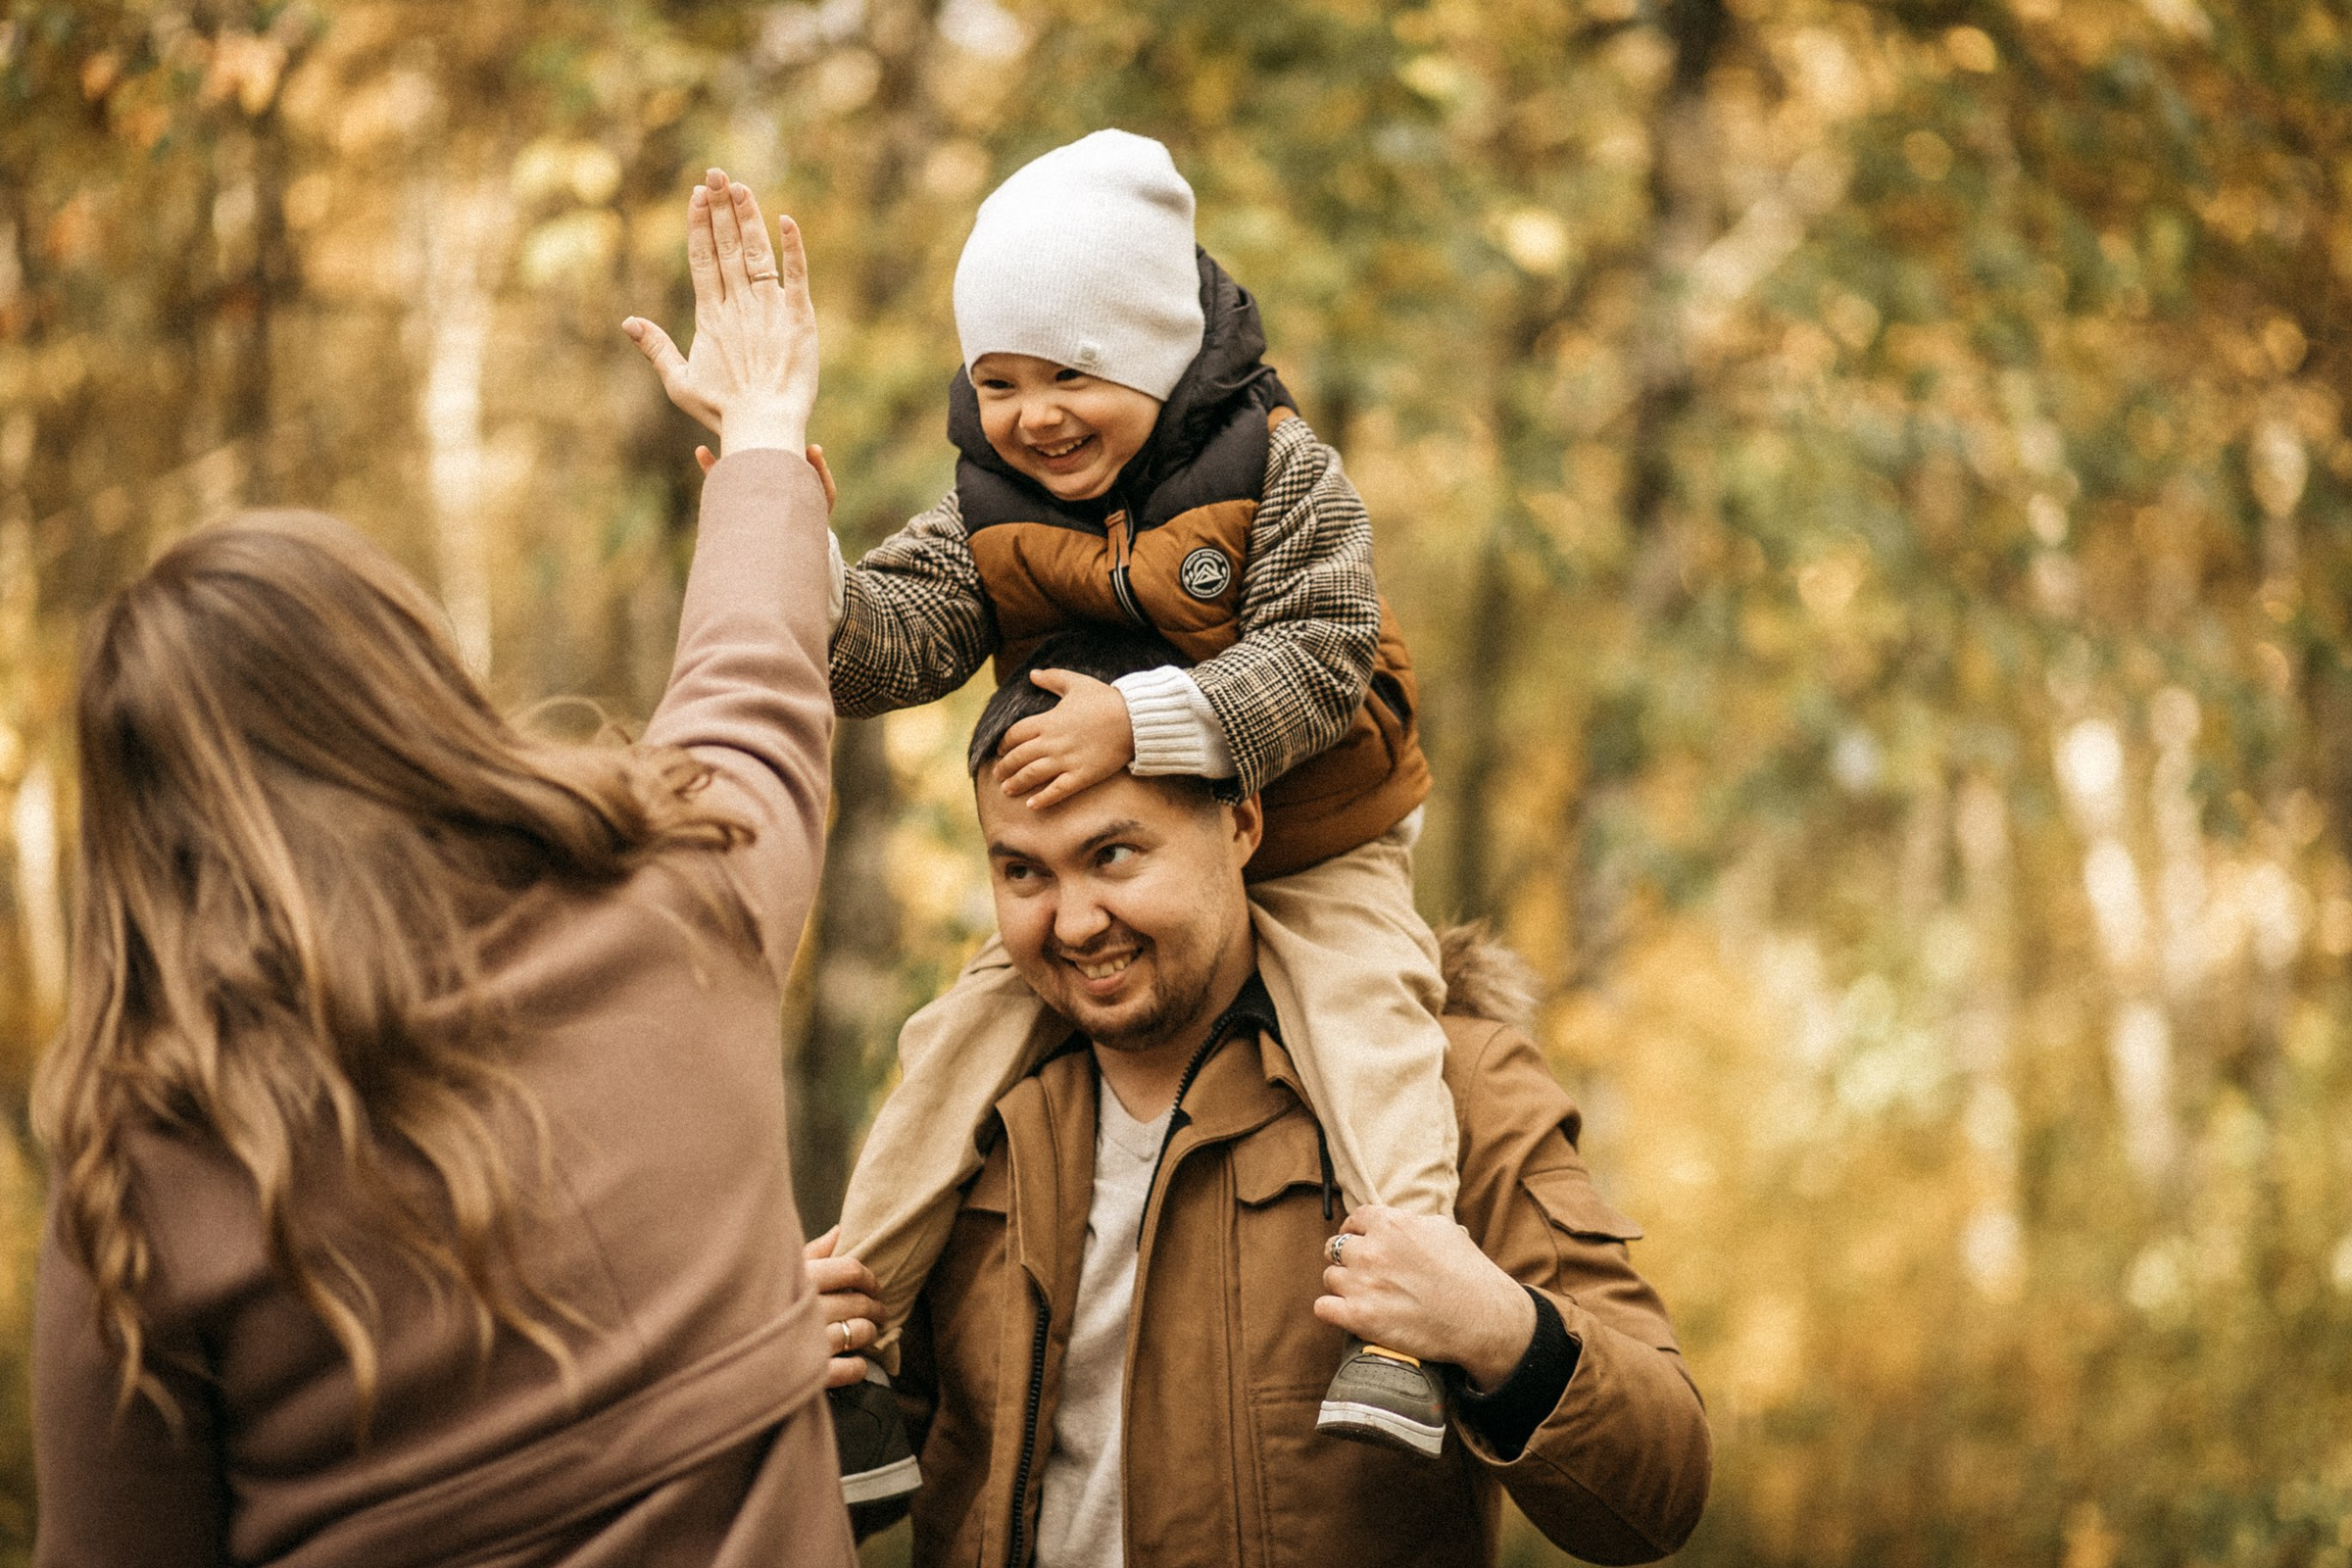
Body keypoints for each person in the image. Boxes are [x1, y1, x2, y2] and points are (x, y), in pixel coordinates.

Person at [32, 169, 852, 1567]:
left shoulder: (147, 1174)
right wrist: (767, 431)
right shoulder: (677, 911)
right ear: (410, 691)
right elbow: (755, 686)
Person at [811, 125, 1461, 1487]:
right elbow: (893, 644)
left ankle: (1406, 1329)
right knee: (953, 1043)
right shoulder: (986, 505)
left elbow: (1329, 654)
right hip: (1125, 856)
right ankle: (853, 1358)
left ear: (1159, 358)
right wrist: (789, 556)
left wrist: (1143, 716)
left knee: (1368, 1022)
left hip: (1319, 830)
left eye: (1073, 375)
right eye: (998, 381)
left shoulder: (1284, 474)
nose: (1034, 415)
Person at [806, 625, 1711, 1567]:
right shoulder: (970, 1124)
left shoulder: (1450, 1088)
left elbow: (1660, 1491)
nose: (1073, 922)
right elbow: (829, 1507)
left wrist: (1496, 1330)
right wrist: (764, 1385)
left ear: (1241, 825)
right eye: (1023, 871)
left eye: (1114, 854)